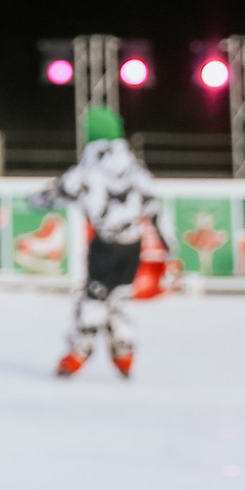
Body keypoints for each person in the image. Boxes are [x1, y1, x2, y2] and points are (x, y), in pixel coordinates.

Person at [32, 108, 162, 379]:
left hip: (105, 243)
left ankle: (78, 354)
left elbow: (63, 190)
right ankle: (124, 353)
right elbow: (154, 203)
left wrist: (37, 199)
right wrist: (167, 241)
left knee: (94, 297)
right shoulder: (133, 165)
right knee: (119, 297)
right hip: (132, 244)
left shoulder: (90, 166)